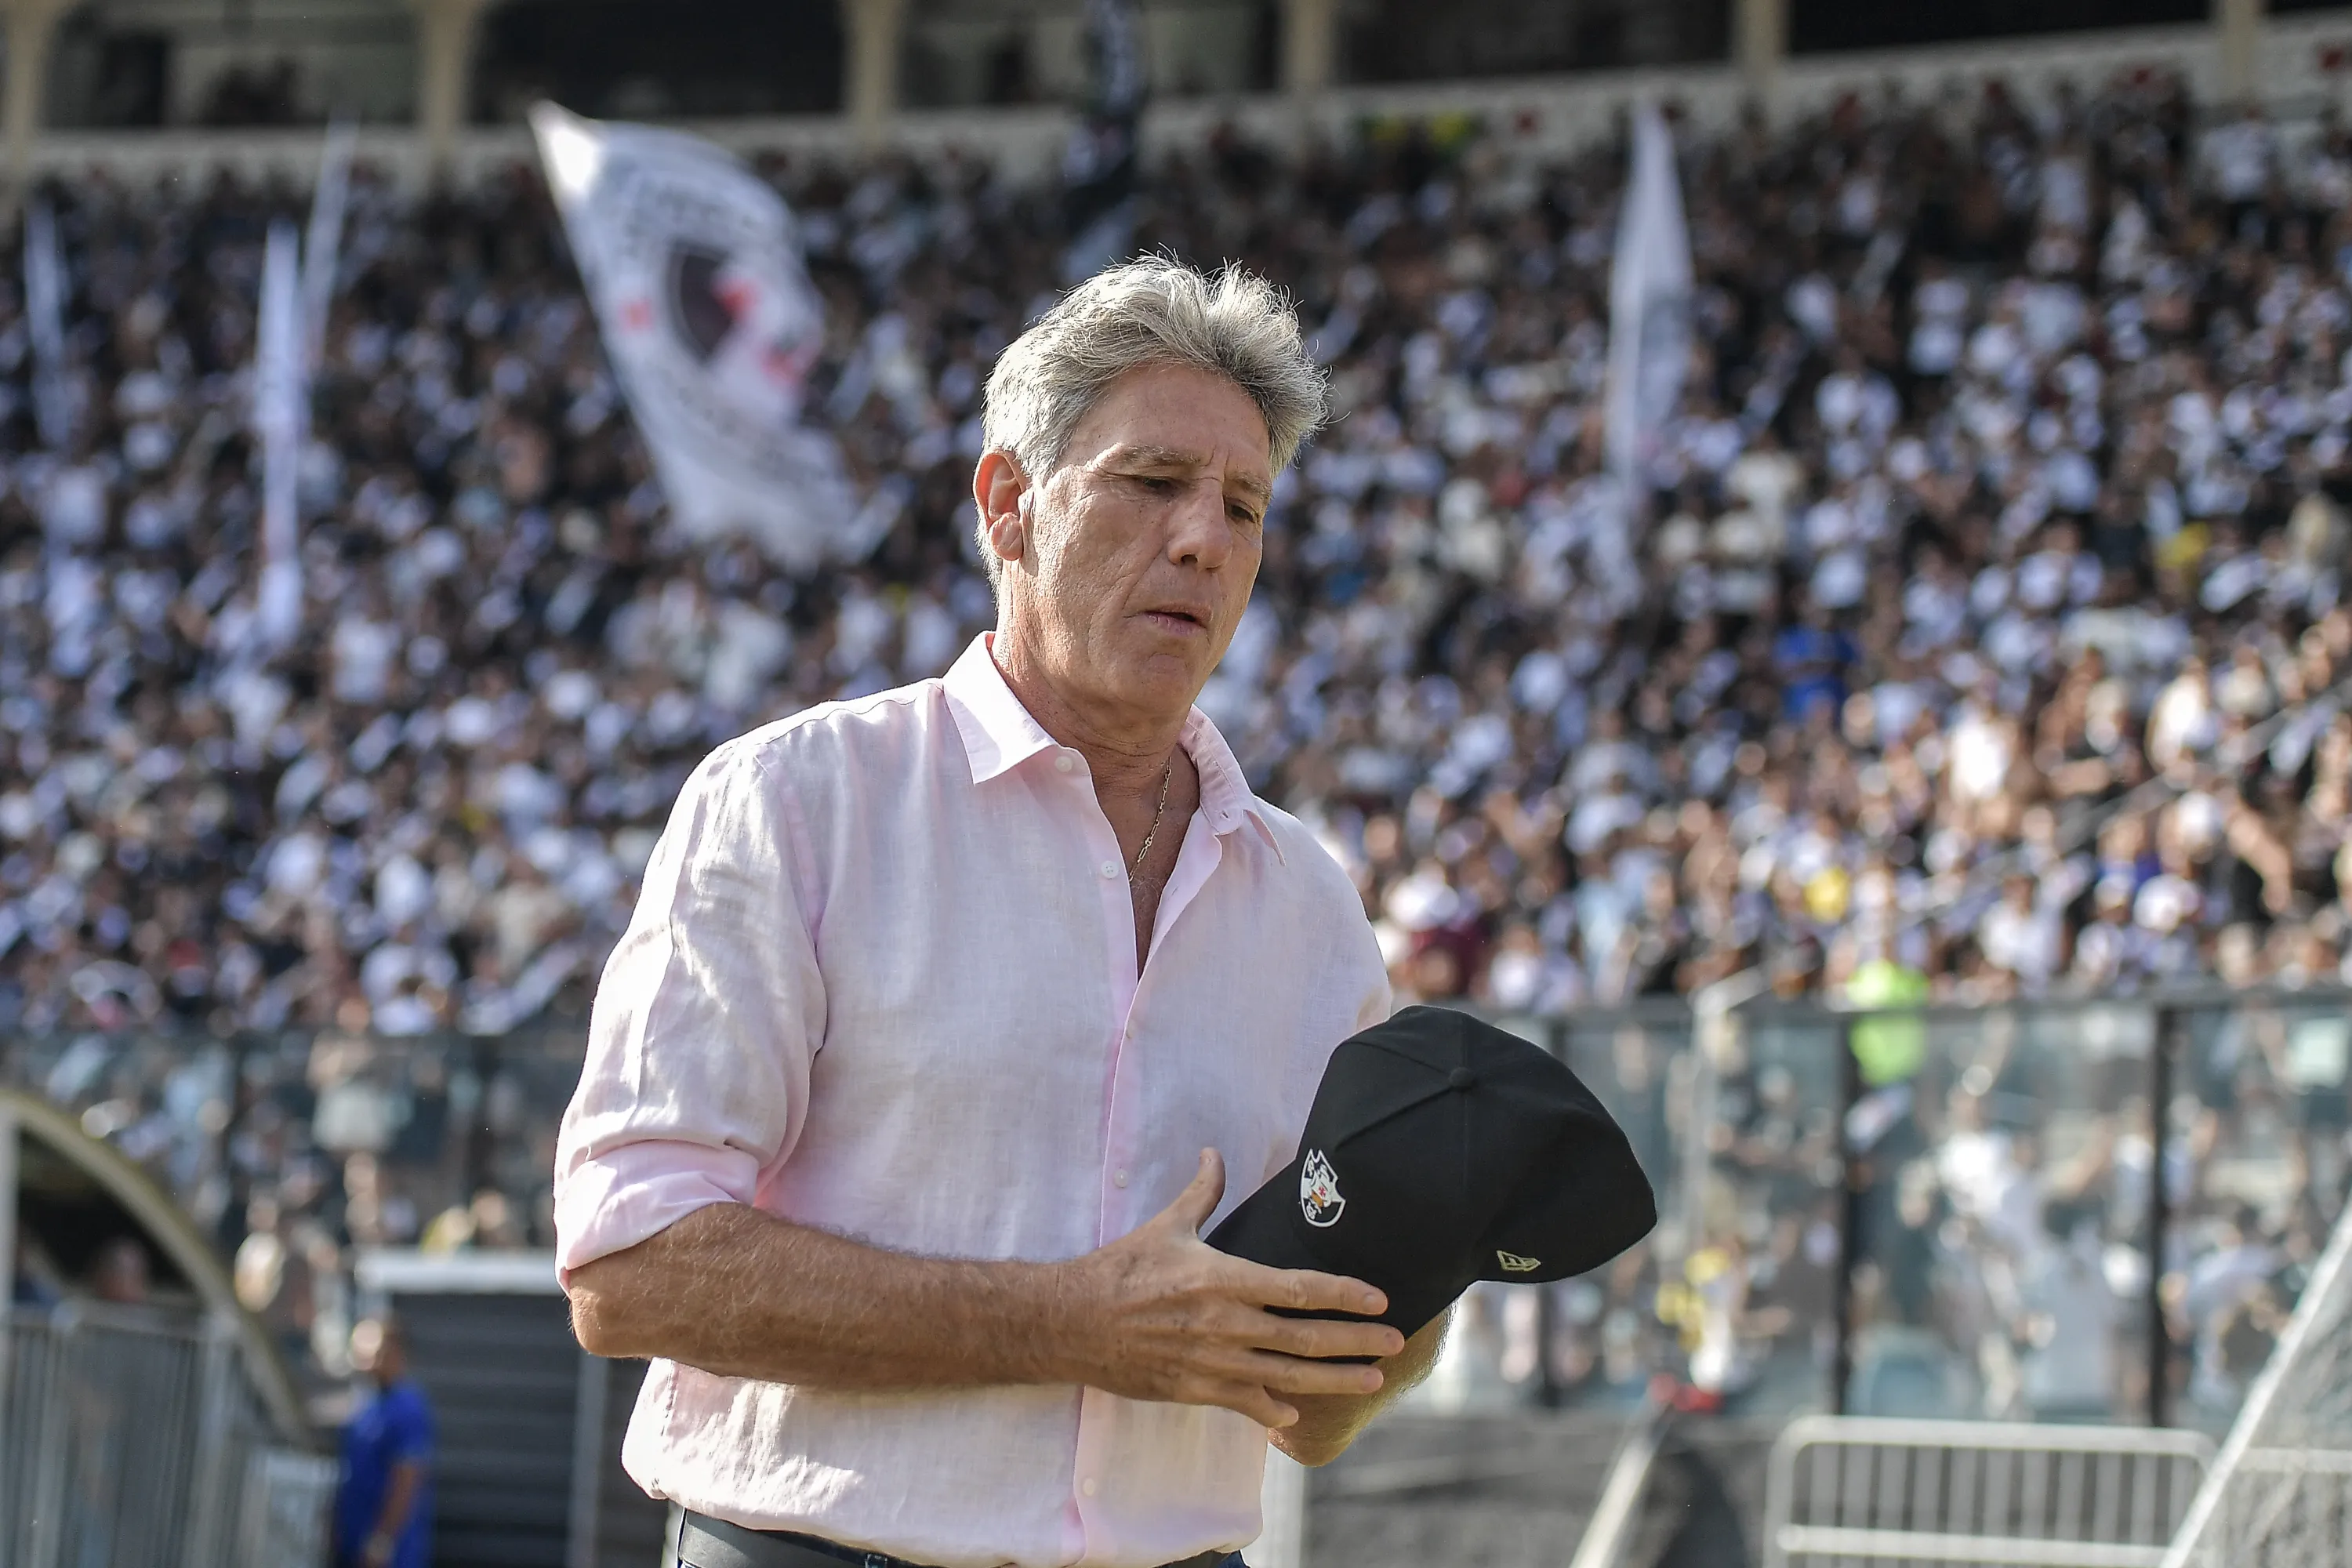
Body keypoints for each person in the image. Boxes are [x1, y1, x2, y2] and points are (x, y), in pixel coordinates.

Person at [554, 258, 1442, 1568]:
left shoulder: (1311, 906)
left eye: (1244, 505)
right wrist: (1070, 1324)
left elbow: (1315, 1423)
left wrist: (1401, 1317)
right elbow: (630, 1263)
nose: (1204, 536)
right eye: (1151, 483)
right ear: (1010, 505)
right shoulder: (801, 801)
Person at [333, 1317, 434, 1568]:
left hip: (388, 1557)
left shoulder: (408, 1409)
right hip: (354, 1544)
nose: (362, 1355)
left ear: (393, 1352)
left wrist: (381, 1542)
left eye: (371, 1348)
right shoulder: (367, 1404)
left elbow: (407, 1479)